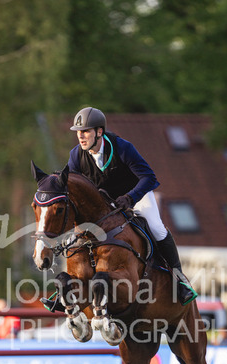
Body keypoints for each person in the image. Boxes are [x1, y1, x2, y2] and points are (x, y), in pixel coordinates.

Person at [41, 106, 197, 310]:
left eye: (86, 131)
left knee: (157, 228)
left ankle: (179, 280)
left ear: (99, 132)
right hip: (104, 203)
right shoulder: (76, 155)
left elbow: (149, 177)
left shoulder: (122, 148)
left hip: (135, 195)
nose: (81, 136)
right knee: (78, 236)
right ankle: (68, 290)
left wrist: (130, 197)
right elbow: (71, 185)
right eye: (79, 132)